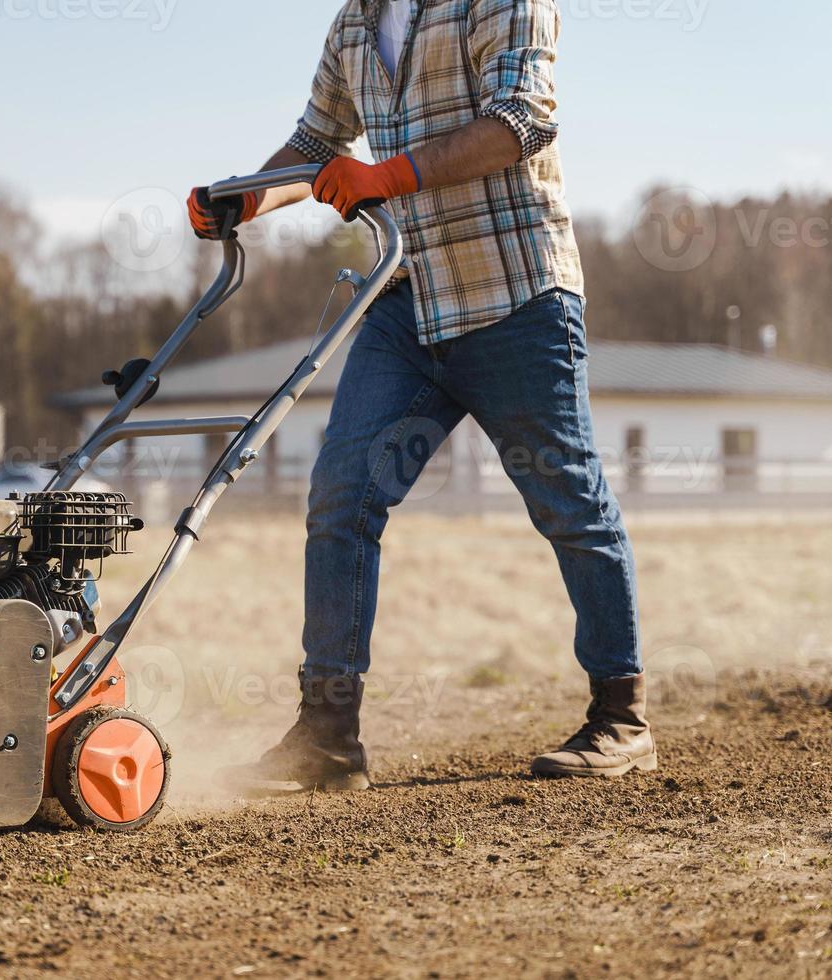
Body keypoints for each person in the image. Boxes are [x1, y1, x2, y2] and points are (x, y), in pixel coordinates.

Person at [188, 0, 655, 790]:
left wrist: (389, 175)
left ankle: (621, 717)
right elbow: (316, 143)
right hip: (408, 303)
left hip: (516, 297)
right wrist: (246, 197)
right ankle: (327, 739)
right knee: (341, 496)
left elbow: (521, 123)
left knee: (569, 502)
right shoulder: (353, 25)